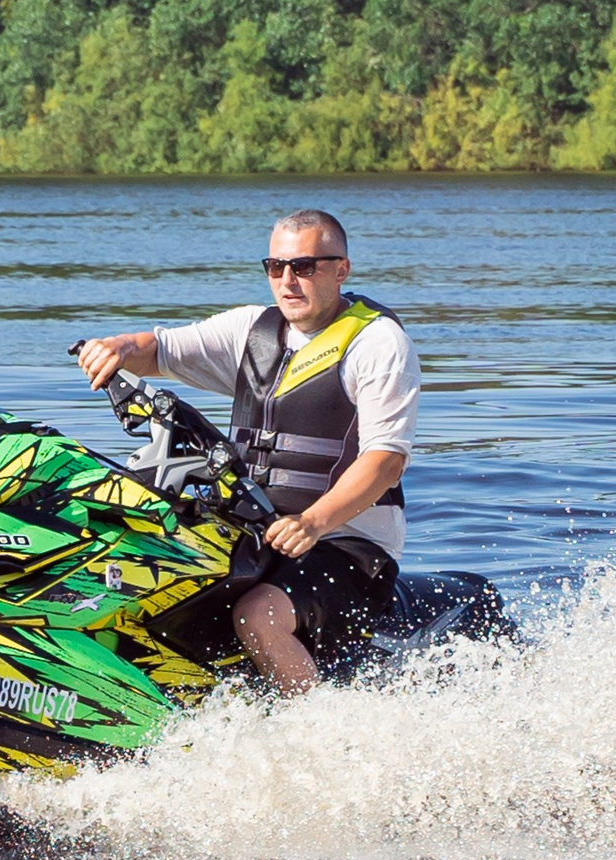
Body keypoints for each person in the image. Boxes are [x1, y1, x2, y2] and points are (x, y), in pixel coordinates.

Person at [76, 209, 419, 694]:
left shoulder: (377, 342)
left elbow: (385, 461)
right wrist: (116, 347)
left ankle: (319, 737)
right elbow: (159, 349)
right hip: (252, 532)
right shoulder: (251, 332)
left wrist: (312, 522)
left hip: (344, 546)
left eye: (303, 267)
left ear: (340, 269)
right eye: (275, 267)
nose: (287, 280)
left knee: (258, 616)